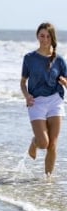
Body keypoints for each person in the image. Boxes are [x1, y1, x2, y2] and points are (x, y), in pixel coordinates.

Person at [20, 22, 67, 176]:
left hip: (55, 101)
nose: (44, 39)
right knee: (43, 143)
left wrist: (64, 82)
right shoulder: (29, 58)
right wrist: (27, 96)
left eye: (48, 36)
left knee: (52, 144)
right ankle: (34, 143)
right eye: (42, 36)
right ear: (37, 36)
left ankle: (47, 181)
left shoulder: (59, 60)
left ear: (52, 38)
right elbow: (22, 82)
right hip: (36, 102)